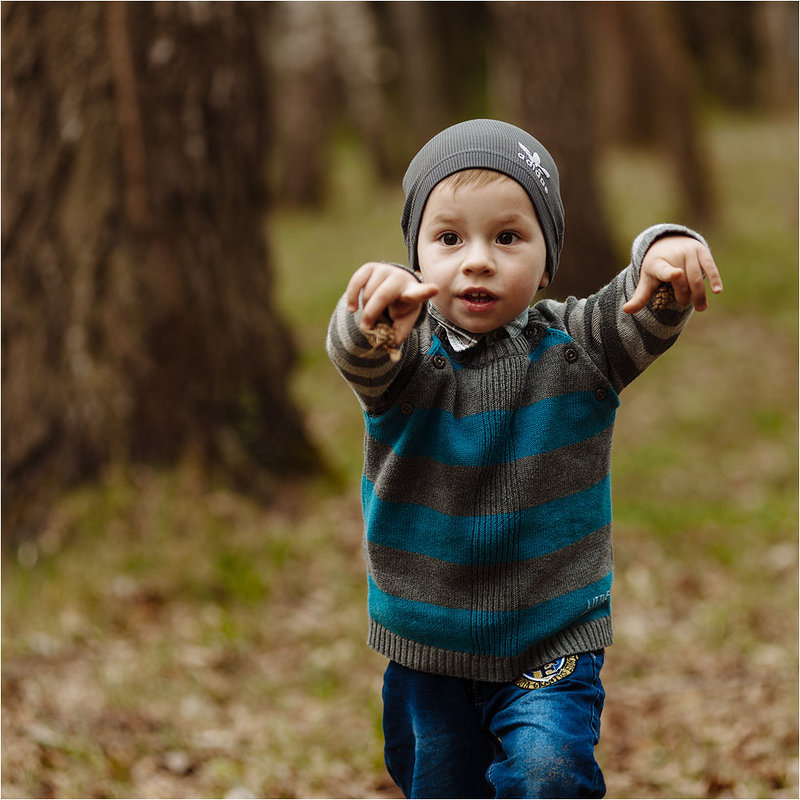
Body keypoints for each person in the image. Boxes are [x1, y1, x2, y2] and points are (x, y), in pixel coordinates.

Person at [326, 119, 722, 799]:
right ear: (416, 257)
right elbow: (357, 352)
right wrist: (367, 316)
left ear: (547, 260)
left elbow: (645, 306)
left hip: (552, 640)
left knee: (550, 775)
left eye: (507, 237)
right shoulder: (405, 356)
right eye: (449, 238)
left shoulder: (579, 346)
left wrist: (667, 252)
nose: (477, 260)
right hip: (427, 646)